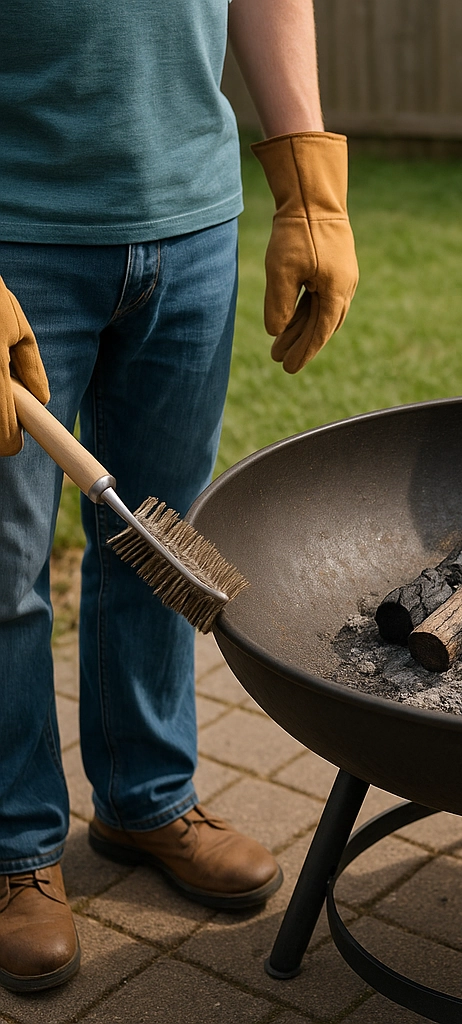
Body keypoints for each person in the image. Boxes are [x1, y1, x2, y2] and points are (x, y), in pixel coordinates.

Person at [0, 0, 358, 993]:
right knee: (1, 569)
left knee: (156, 536)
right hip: (15, 234)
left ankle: (146, 795)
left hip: (192, 221)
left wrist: (307, 188)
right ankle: (13, 845)